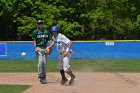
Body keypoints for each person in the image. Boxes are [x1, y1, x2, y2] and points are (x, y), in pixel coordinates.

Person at [32, 20, 54, 84]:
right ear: (37, 24)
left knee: (44, 63)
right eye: (39, 23)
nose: (40, 24)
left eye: (41, 23)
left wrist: (50, 49)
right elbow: (34, 40)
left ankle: (44, 77)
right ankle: (40, 77)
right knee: (40, 62)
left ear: (43, 24)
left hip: (45, 48)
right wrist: (35, 48)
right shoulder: (35, 32)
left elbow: (51, 41)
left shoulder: (47, 32)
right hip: (39, 48)